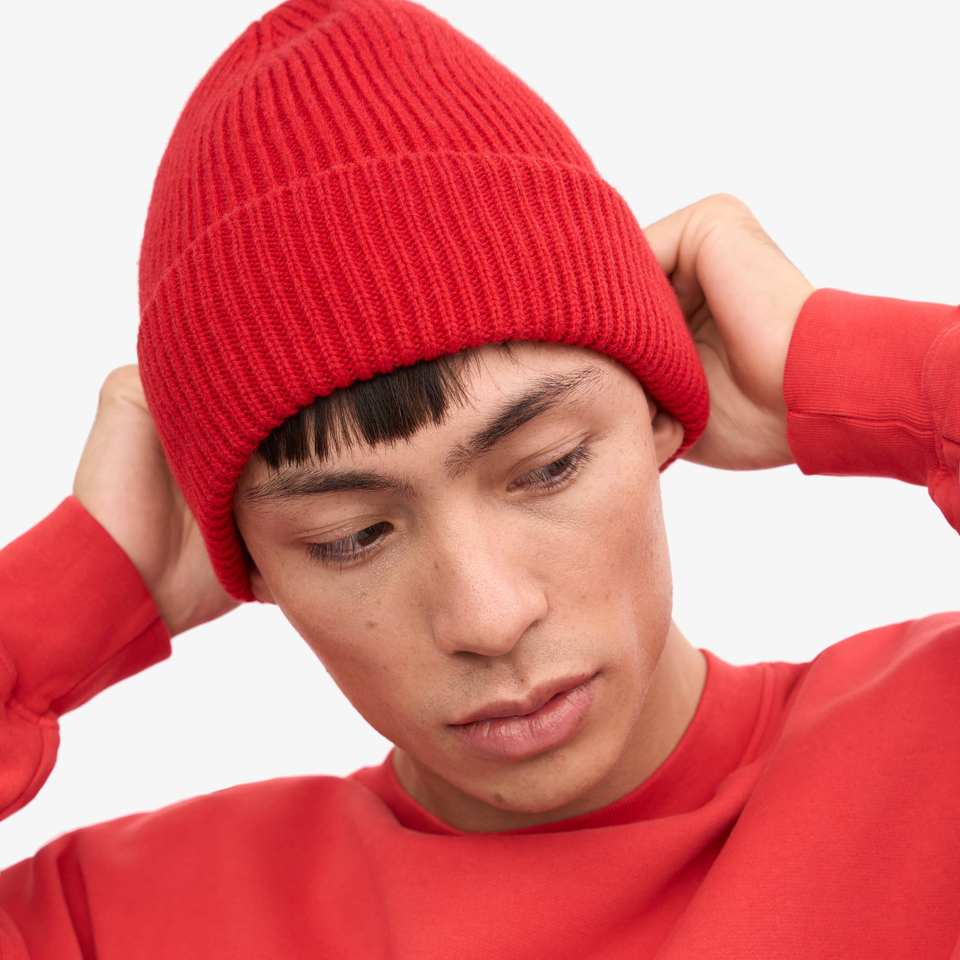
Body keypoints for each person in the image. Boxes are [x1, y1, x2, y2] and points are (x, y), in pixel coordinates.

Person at [1, 0, 958, 957]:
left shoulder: (932, 750)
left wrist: (867, 375)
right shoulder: (119, 925)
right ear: (251, 563)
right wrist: (71, 595)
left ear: (661, 413)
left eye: (549, 468)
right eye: (350, 536)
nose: (488, 619)